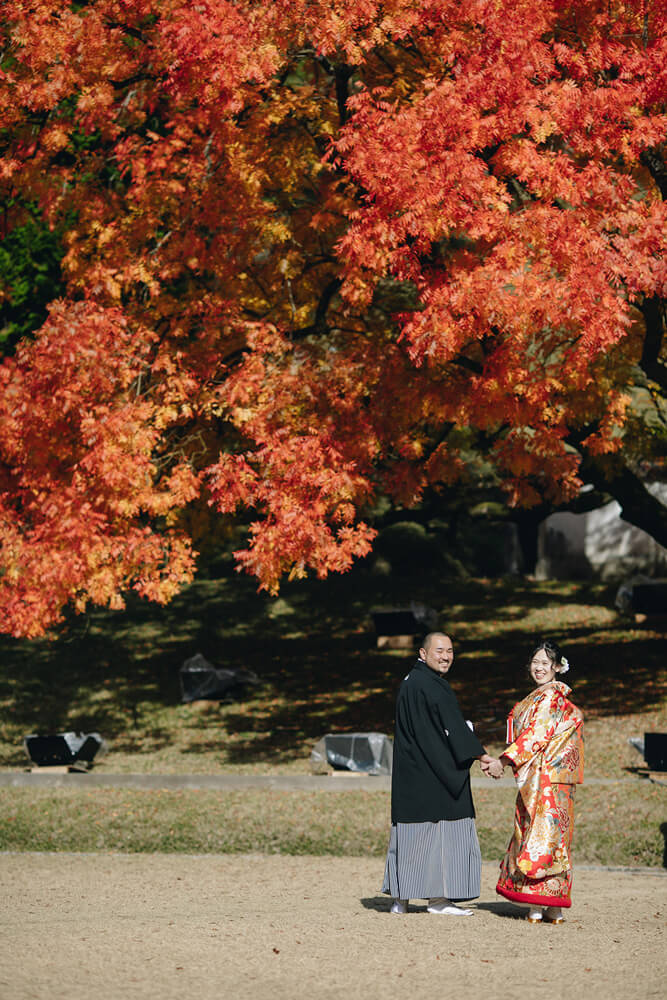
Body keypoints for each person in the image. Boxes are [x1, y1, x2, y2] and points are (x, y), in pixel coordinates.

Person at [382, 632, 503, 916]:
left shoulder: (411, 683)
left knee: (411, 835)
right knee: (442, 834)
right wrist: (483, 756)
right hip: (435, 774)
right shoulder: (434, 686)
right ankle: (438, 899)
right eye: (439, 651)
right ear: (423, 654)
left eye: (450, 651)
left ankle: (401, 899)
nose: (446, 656)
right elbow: (454, 728)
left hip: (411, 774)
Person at [495, 639, 584, 924]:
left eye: (546, 663)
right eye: (535, 663)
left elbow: (535, 736)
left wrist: (505, 760)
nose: (539, 668)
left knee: (540, 837)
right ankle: (553, 906)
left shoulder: (550, 699)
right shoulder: (542, 697)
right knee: (553, 839)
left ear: (558, 667)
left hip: (545, 780)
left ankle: (539, 902)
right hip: (550, 779)